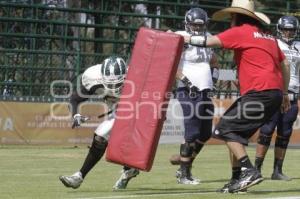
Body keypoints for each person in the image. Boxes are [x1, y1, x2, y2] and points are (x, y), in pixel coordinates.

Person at [182, 0, 290, 193]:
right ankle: (237, 179)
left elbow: (208, 42)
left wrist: (179, 37)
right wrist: (284, 93)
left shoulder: (242, 31)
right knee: (235, 135)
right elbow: (285, 65)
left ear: (237, 17)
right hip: (273, 94)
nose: (230, 20)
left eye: (231, 17)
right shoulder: (268, 36)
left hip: (260, 92)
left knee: (224, 129)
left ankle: (250, 171)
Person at [59, 56, 140, 190]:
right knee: (102, 138)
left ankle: (80, 176)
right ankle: (129, 169)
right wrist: (76, 115)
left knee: (102, 135)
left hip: (136, 107)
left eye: (117, 84)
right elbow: (74, 99)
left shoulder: (136, 76)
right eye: (110, 84)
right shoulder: (92, 77)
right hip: (116, 107)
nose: (114, 87)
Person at [168, 7, 219, 185]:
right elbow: (171, 64)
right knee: (192, 131)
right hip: (187, 90)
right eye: (194, 26)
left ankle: (184, 166)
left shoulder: (208, 36)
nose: (197, 29)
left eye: (200, 26)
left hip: (205, 90)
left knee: (205, 133)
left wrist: (214, 79)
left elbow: (214, 61)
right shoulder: (180, 36)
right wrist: (186, 81)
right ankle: (184, 174)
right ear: (187, 24)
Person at [255, 15, 300, 181]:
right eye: (286, 29)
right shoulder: (272, 42)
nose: (288, 32)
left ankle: (277, 171)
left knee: (285, 133)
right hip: (275, 92)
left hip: (293, 94)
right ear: (279, 29)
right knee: (266, 131)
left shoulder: (298, 46)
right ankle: (257, 169)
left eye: (291, 29)